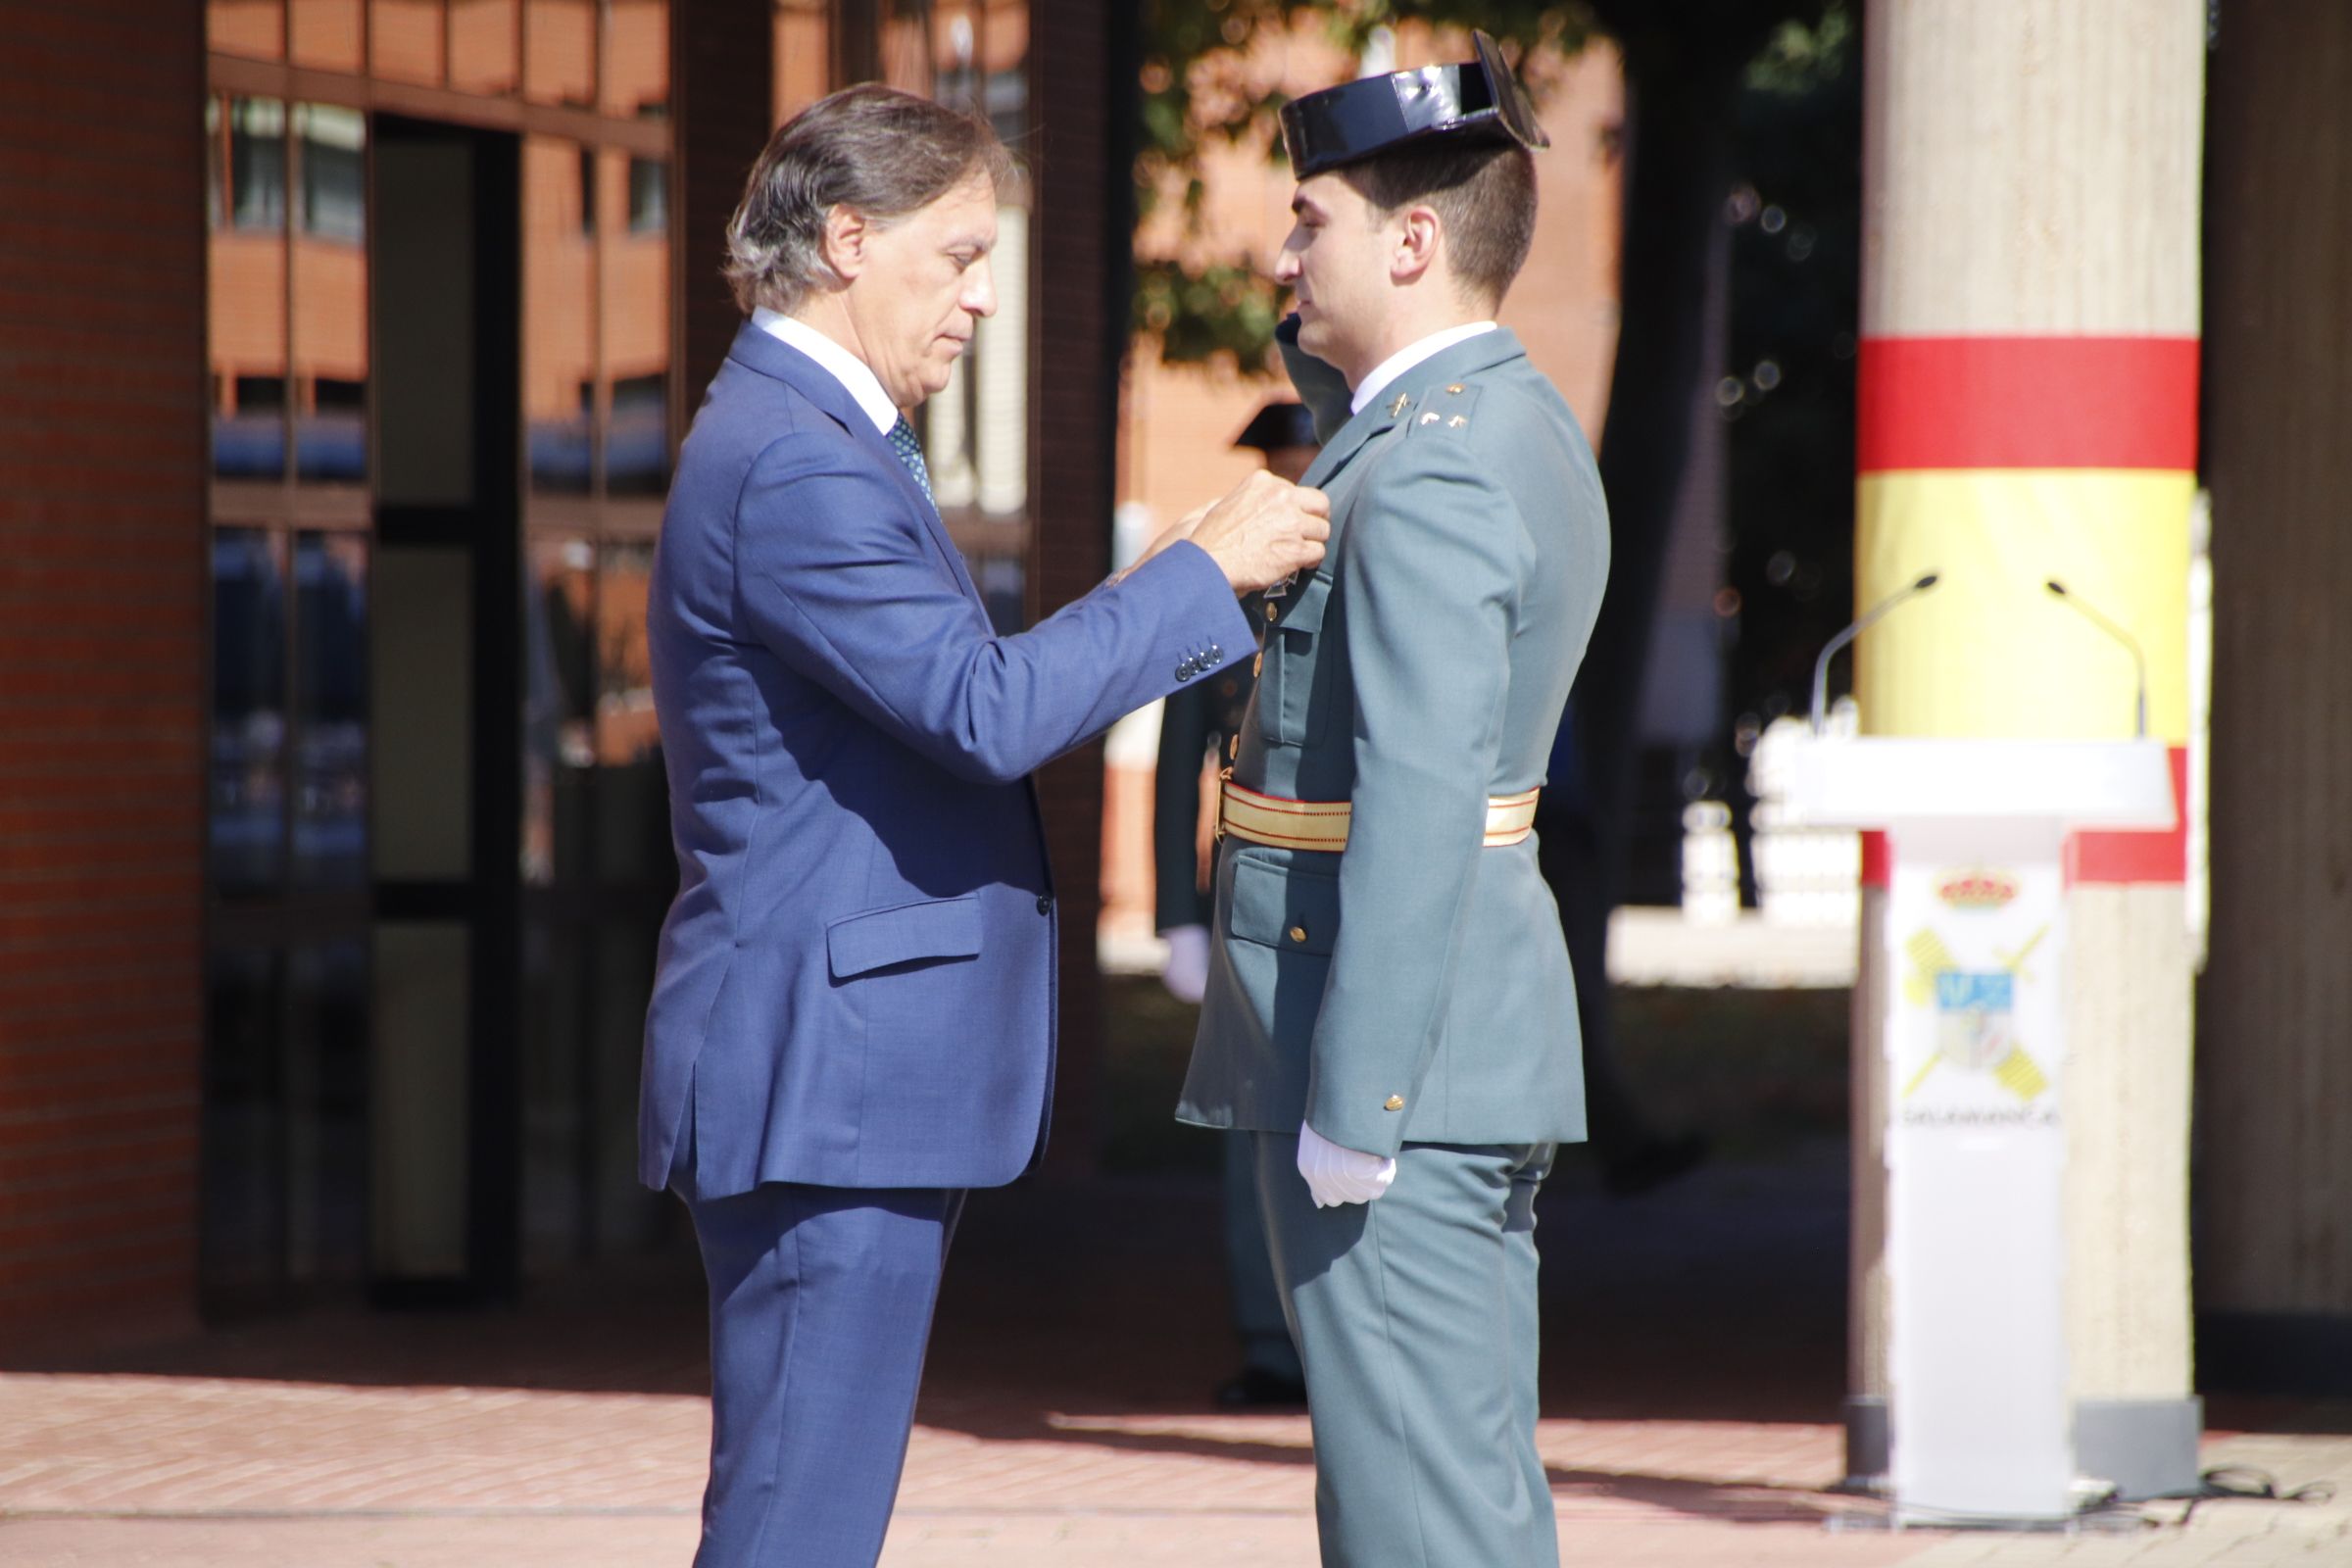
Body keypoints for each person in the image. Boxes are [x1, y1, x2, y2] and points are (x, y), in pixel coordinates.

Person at [638, 84, 1329, 1568]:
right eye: (955, 257)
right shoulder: (796, 459)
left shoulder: (811, 434)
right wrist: (1197, 576)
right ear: (844, 240)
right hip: (825, 1084)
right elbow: (983, 708)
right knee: (794, 1527)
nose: (980, 297)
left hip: (843, 1075)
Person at [1178, 33, 1604, 1567]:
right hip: (1458, 1047)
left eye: (1314, 222)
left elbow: (1420, 794)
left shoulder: (1425, 473)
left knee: (1410, 1511)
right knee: (1460, 1486)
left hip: (1397, 1069)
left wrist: (1361, 1105)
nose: (1286, 248)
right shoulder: (1481, 423)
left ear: (1413, 241)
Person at [1153, 399, 1321, 1409]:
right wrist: (1176, 908)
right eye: (1282, 463)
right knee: (1250, 1114)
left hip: (1342, 873)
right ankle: (1268, 1340)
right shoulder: (1231, 587)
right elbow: (1185, 755)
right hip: (1250, 880)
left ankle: (1332, 1335)